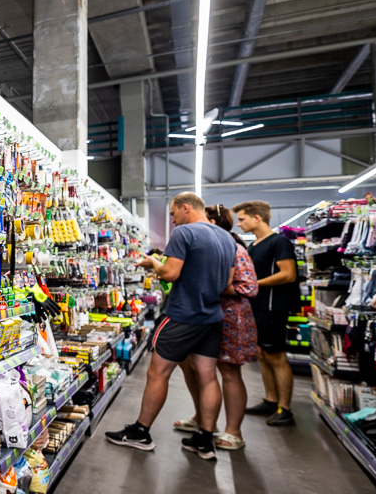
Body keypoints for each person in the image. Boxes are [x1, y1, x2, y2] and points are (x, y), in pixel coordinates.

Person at [106, 192, 237, 460]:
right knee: (208, 376)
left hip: (182, 315)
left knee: (158, 373)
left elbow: (170, 273)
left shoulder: (184, 233)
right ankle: (205, 439)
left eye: (173, 214)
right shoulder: (227, 238)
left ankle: (141, 432)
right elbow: (227, 283)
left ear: (185, 208)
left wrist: (153, 262)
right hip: (212, 316)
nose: (173, 220)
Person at [173, 205, 259, 450]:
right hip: (200, 316)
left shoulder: (234, 248)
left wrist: (211, 284)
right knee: (194, 367)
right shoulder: (200, 246)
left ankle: (234, 432)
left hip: (230, 318)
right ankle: (202, 419)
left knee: (229, 371)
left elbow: (249, 287)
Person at [233, 200, 300, 426]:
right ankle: (271, 400)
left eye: (242, 219)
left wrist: (254, 284)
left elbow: (288, 274)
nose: (239, 224)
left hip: (273, 306)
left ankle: (285, 409)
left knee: (276, 356)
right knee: (262, 353)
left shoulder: (279, 242)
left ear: (257, 218)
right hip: (258, 306)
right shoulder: (254, 245)